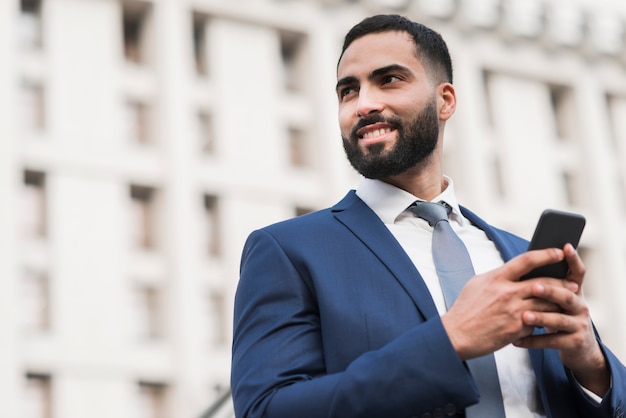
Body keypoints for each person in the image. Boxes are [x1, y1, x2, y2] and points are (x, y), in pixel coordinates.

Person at [231, 14, 626, 418]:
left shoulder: (521, 256)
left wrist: (591, 365)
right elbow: (265, 410)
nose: (363, 104)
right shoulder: (288, 251)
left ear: (445, 100)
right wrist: (450, 338)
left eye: (388, 80)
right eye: (348, 91)